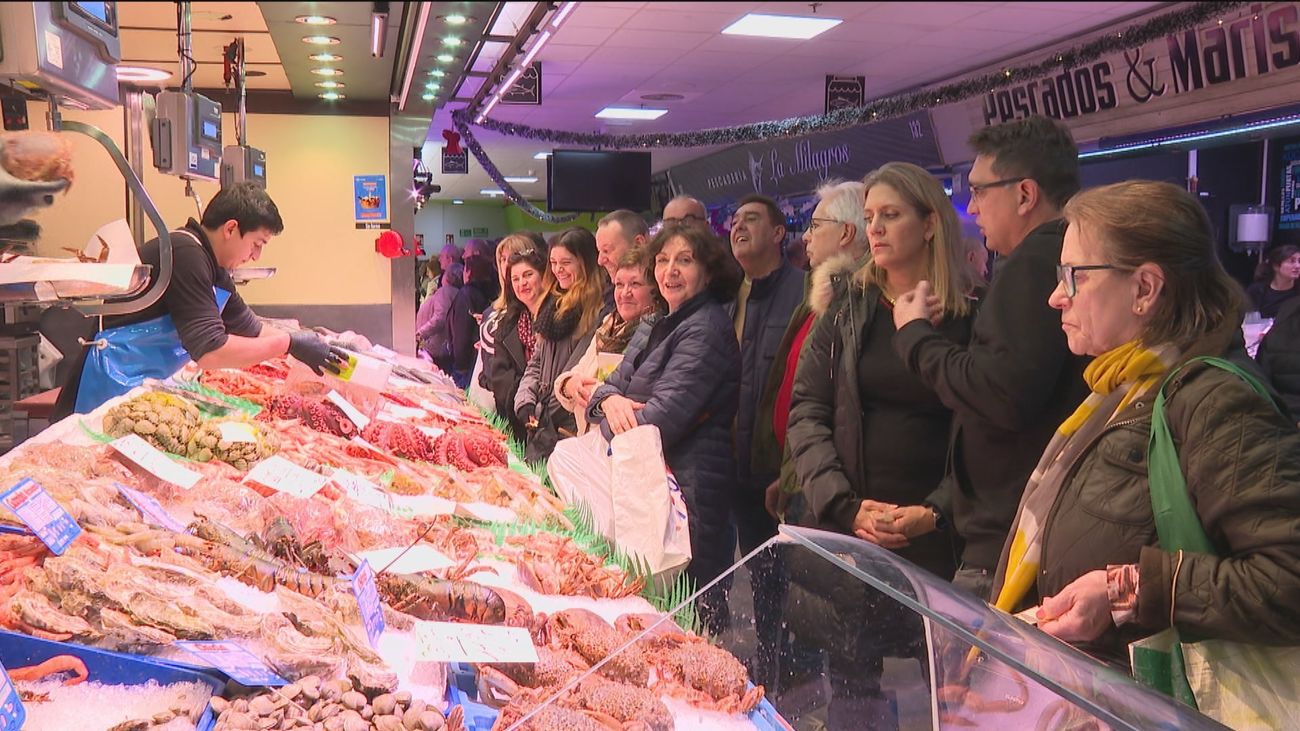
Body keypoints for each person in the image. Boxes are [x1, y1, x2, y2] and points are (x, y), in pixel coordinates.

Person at [991, 180, 1300, 668]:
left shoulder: (1216, 401)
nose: (1056, 297)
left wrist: (1127, 589)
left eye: (1073, 276)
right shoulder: (1124, 385)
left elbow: (1288, 578)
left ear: (1145, 289)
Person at [785, 163, 976, 726]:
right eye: (870, 217)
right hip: (857, 535)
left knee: (951, 699)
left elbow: (988, 435)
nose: (876, 229)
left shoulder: (971, 314)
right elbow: (807, 412)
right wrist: (844, 505)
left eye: (891, 215)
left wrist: (936, 511)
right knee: (854, 695)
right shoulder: (847, 307)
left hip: (941, 540)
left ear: (930, 223)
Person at [887, 116, 1090, 601]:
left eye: (979, 191)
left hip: (1009, 533)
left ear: (1025, 194)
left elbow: (1001, 393)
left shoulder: (1034, 262)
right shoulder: (1050, 258)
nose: (972, 207)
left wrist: (915, 336)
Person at [55, 183, 344, 418]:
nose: (256, 256)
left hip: (138, 388)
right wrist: (288, 344)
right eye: (257, 244)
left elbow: (252, 329)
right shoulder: (186, 254)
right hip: (104, 387)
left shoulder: (214, 266)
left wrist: (318, 343)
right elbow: (210, 352)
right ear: (231, 229)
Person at [586, 222, 743, 635]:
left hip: (689, 500)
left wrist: (610, 416)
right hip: (649, 488)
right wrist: (611, 403)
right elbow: (604, 392)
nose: (670, 270)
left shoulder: (706, 328)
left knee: (684, 630)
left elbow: (657, 424)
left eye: (684, 260)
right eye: (662, 260)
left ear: (707, 271)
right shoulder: (658, 321)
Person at [757, 180, 869, 524]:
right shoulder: (818, 299)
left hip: (833, 494)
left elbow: (835, 411)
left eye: (815, 226)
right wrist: (791, 473)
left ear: (846, 233)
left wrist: (820, 487)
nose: (806, 236)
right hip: (804, 477)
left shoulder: (859, 305)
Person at [727, 193, 805, 680]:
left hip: (779, 470)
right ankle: (766, 666)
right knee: (753, 576)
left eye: (751, 219)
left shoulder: (804, 292)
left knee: (786, 581)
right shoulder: (727, 293)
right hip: (733, 461)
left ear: (778, 232)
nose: (738, 227)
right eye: (735, 220)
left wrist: (791, 468)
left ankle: (785, 674)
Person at [514, 227, 603, 462]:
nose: (558, 269)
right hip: (542, 425)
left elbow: (576, 373)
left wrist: (543, 414)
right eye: (553, 262)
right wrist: (525, 402)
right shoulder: (552, 306)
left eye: (566, 262)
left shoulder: (596, 312)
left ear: (585, 262)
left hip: (569, 429)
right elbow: (536, 363)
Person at [555, 246, 664, 435]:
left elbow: (630, 400)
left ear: (655, 291)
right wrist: (569, 384)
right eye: (619, 285)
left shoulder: (657, 334)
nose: (625, 293)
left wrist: (588, 390)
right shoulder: (608, 324)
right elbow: (573, 375)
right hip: (587, 442)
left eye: (635, 284)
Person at [473, 233, 545, 413]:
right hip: (495, 401)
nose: (506, 264)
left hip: (529, 405)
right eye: (502, 259)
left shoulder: (539, 314)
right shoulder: (493, 311)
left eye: (511, 257)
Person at [448, 241, 499, 388]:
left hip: (468, 368)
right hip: (482, 364)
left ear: (469, 271)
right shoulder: (492, 293)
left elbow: (462, 335)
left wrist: (460, 367)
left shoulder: (467, 294)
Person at [595, 210, 649, 316]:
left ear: (638, 243)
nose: (600, 261)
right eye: (599, 251)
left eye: (606, 250)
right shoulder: (607, 294)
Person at [416, 262, 463, 372]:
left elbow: (440, 318)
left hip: (435, 349)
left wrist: (420, 333)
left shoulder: (445, 291)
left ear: (448, 276)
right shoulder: (453, 292)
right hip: (438, 347)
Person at [1246, 244, 1300, 318]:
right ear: (1276, 266)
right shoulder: (1257, 291)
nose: (1298, 266)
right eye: (1292, 261)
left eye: (1299, 261)